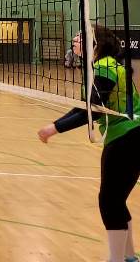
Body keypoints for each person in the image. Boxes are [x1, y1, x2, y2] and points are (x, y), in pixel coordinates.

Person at [38, 27, 140, 262]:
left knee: (109, 202)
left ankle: (117, 259)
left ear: (96, 43)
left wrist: (54, 129)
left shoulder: (104, 66)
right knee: (116, 200)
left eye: (80, 36)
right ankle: (128, 257)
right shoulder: (101, 66)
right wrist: (55, 125)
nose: (75, 39)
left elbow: (93, 112)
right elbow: (85, 107)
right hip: (130, 135)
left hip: (126, 136)